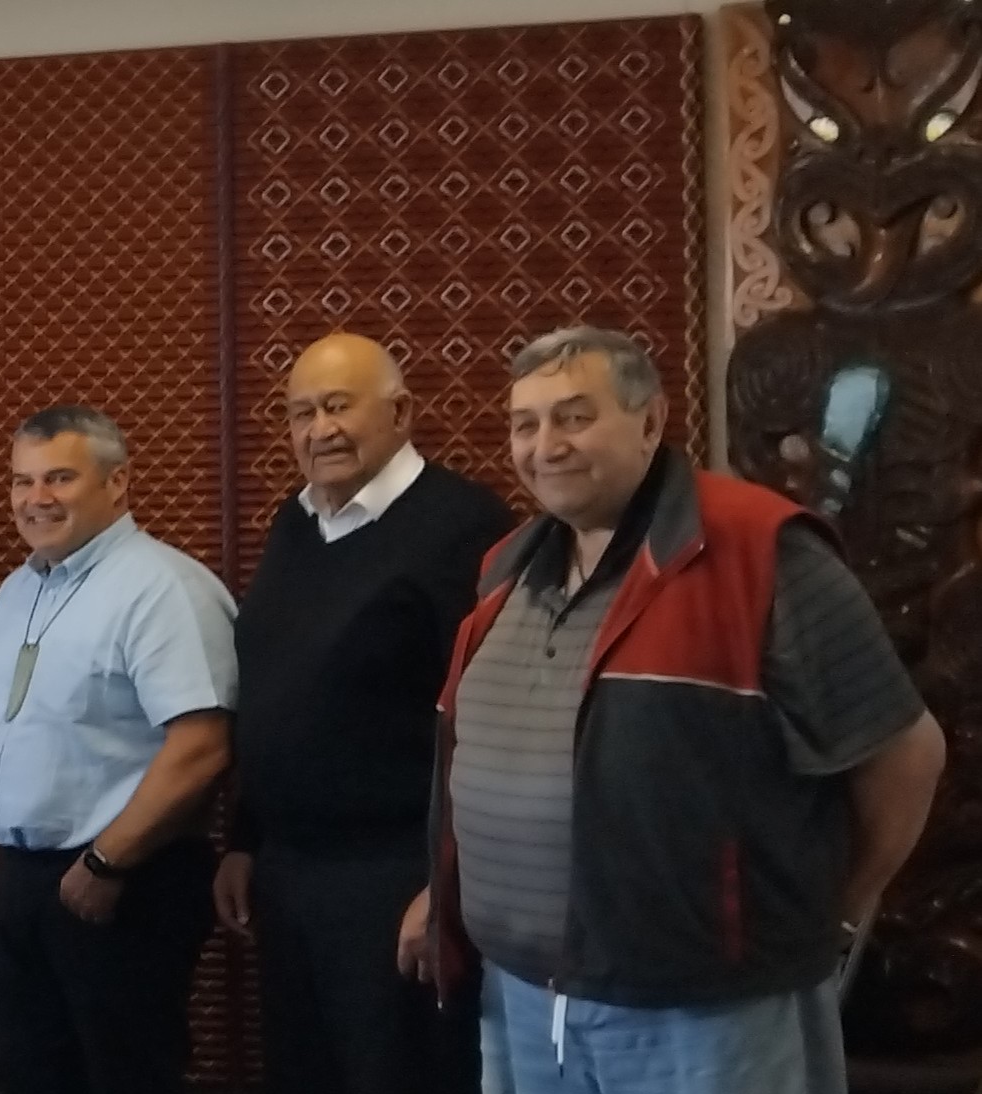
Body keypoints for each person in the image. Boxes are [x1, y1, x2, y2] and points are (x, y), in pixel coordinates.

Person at [419, 328, 948, 1094]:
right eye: (525, 424)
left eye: (573, 417)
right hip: (525, 1000)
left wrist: (830, 916)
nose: (545, 445)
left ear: (650, 422)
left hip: (708, 1009)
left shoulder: (762, 554)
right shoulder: (506, 567)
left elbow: (906, 756)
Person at [215, 334, 505, 1094]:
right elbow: (277, 690)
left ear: (402, 412)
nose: (320, 430)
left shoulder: (462, 527)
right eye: (301, 413)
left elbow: (490, 724)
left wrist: (448, 883)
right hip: (291, 876)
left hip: (395, 877)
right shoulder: (296, 524)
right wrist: (246, 837)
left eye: (339, 406)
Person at [0, 404, 236, 1094]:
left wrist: (106, 860)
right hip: (25, 882)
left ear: (117, 484)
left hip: (122, 881)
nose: (36, 499)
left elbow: (202, 746)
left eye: (59, 478)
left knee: (124, 1074)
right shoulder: (17, 589)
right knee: (28, 1071)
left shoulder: (163, 589)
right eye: (21, 482)